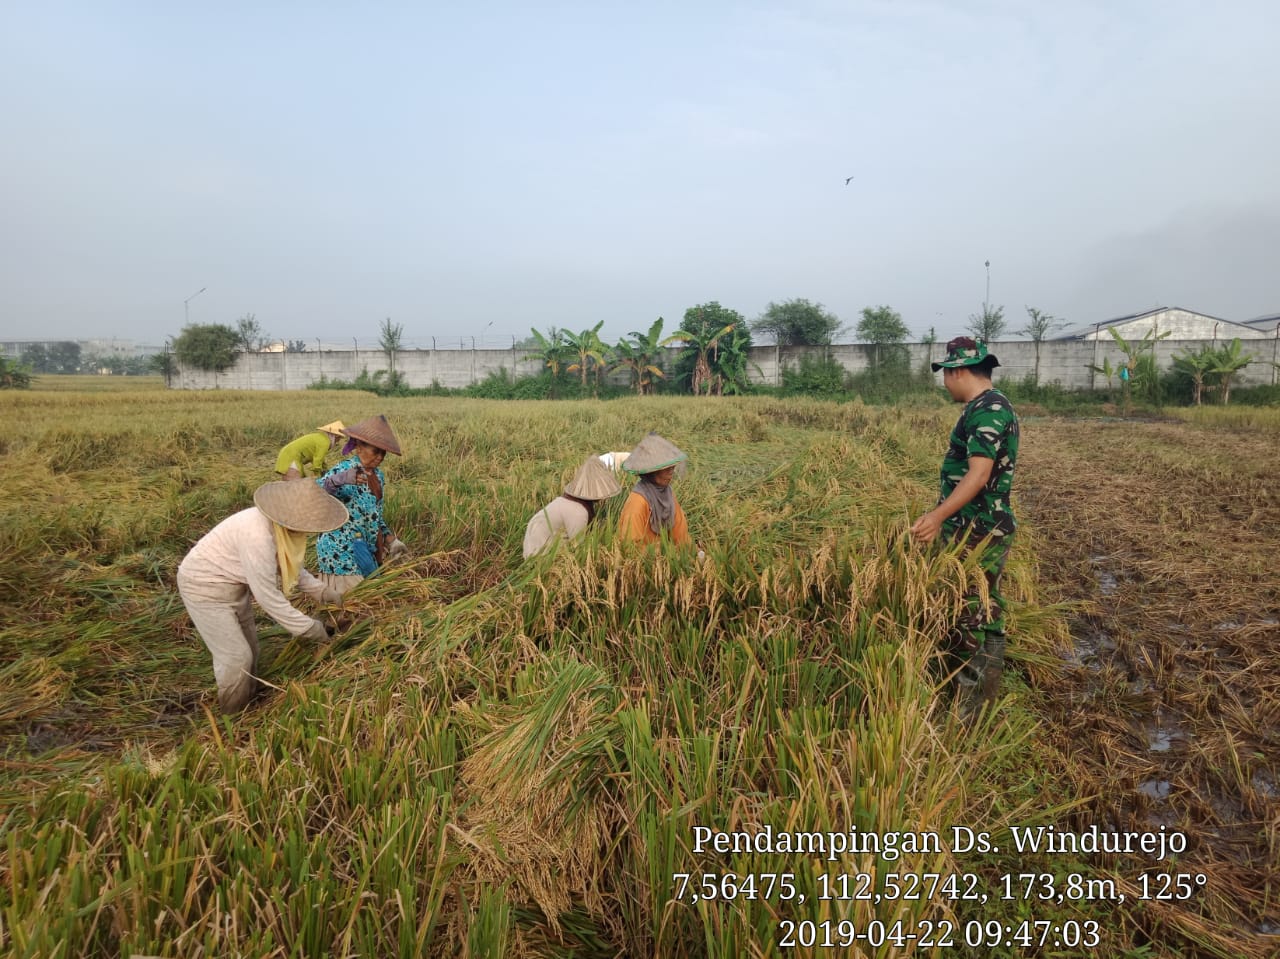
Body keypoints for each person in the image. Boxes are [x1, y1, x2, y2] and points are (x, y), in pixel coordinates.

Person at [910, 336, 1020, 719]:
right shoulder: (988, 405)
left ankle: (966, 713)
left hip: (978, 530)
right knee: (986, 609)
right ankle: (983, 701)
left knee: (969, 612)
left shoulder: (987, 410)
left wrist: (938, 516)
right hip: (981, 526)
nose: (944, 383)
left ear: (958, 372)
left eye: (945, 374)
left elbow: (978, 475)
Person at [177, 480, 349, 714]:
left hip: (234, 587)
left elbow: (288, 564)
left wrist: (321, 591)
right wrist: (311, 629)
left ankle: (249, 701)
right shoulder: (257, 537)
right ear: (291, 519)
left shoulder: (280, 530)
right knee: (237, 657)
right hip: (204, 589)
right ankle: (232, 717)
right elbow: (269, 599)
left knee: (252, 649)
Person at [301, 414, 407, 604]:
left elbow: (375, 514)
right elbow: (315, 492)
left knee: (366, 601)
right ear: (359, 447)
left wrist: (391, 540)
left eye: (384, 453)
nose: (380, 457)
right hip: (340, 548)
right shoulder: (345, 470)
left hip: (364, 546)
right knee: (352, 605)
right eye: (376, 451)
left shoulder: (378, 476)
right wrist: (338, 480)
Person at [523, 456, 623, 558]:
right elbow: (578, 548)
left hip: (535, 547)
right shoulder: (578, 512)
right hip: (539, 557)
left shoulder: (568, 502)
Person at [618, 433, 693, 547]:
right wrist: (658, 558)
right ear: (651, 471)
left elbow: (681, 535)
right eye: (666, 468)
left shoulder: (668, 494)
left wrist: (692, 553)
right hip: (646, 561)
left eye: (672, 467)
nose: (671, 472)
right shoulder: (637, 502)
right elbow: (631, 547)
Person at [275, 421, 346, 479]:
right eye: (339, 438)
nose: (339, 441)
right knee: (296, 486)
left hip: (287, 455)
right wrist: (319, 477)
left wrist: (326, 470)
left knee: (299, 484)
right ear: (336, 435)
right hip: (290, 457)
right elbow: (317, 461)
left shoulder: (322, 438)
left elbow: (319, 459)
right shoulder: (325, 443)